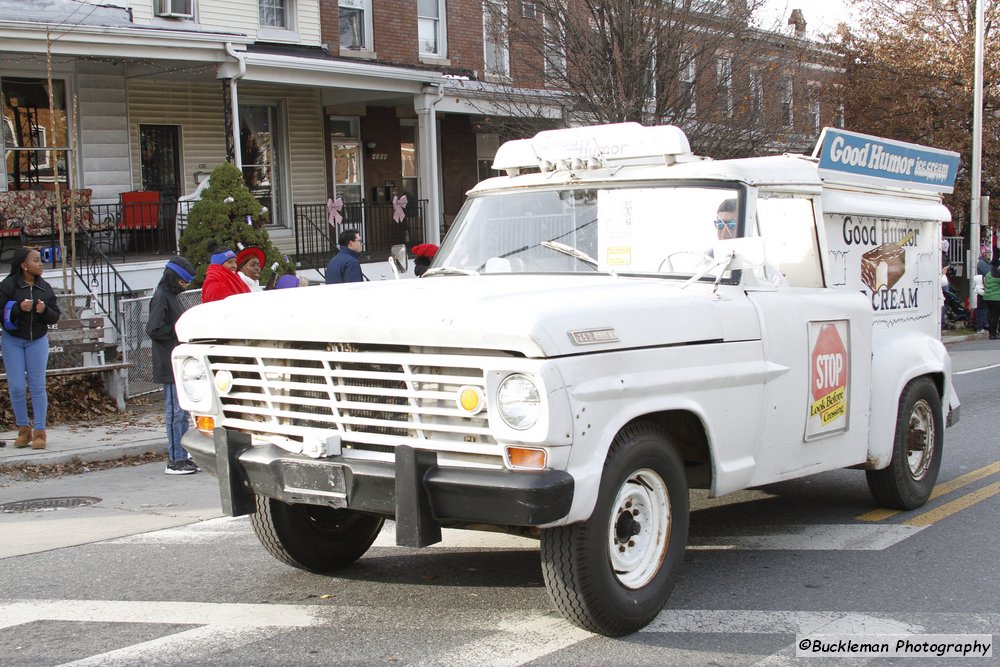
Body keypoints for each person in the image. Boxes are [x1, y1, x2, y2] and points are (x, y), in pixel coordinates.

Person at [0, 247, 61, 449]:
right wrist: (18, 308)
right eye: (36, 260)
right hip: (13, 340)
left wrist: (44, 311)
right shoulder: (8, 286)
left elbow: (55, 315)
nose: (41, 263)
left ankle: (40, 432)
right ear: (24, 265)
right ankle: (23, 430)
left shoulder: (45, 288)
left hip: (38, 340)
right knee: (17, 387)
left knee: (37, 386)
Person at [146, 256, 199, 475]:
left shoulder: (169, 296)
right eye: (183, 282)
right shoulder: (161, 297)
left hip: (176, 361)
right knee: (175, 413)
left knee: (182, 412)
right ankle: (175, 459)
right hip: (168, 362)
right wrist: (178, 333)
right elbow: (153, 329)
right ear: (173, 278)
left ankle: (182, 455)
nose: (185, 287)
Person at [984, 257, 1000, 340]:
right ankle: (993, 334)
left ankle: (992, 332)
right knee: (995, 316)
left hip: (987, 297)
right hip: (996, 298)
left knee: (991, 315)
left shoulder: (988, 274)